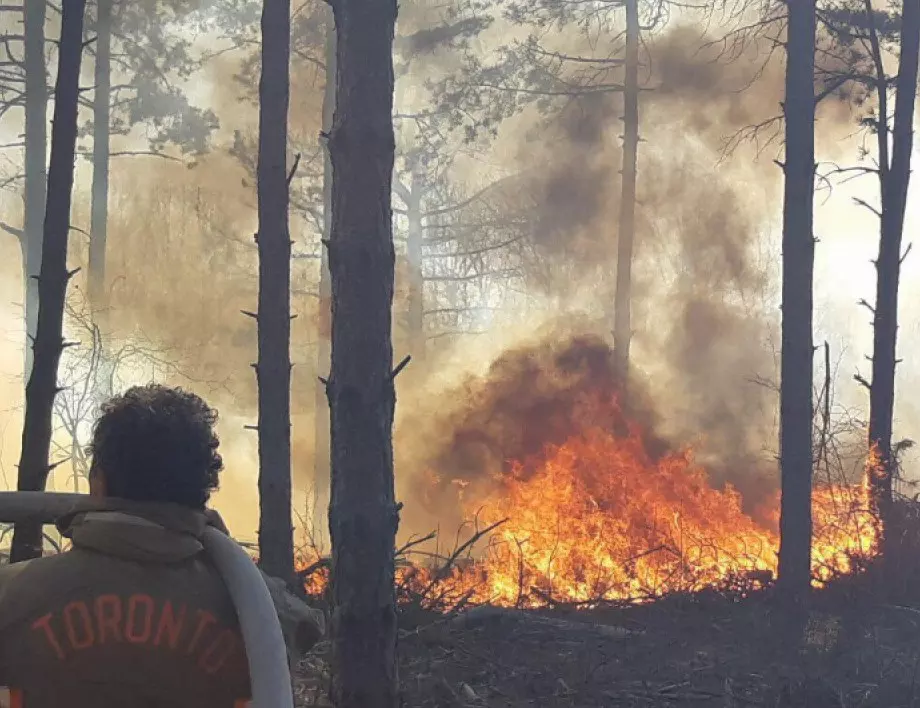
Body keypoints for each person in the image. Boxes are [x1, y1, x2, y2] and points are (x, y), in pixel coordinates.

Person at [0, 384, 320, 708]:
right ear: (202, 493)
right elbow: (305, 627)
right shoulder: (260, 607)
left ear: (99, 481)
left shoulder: (14, 595)